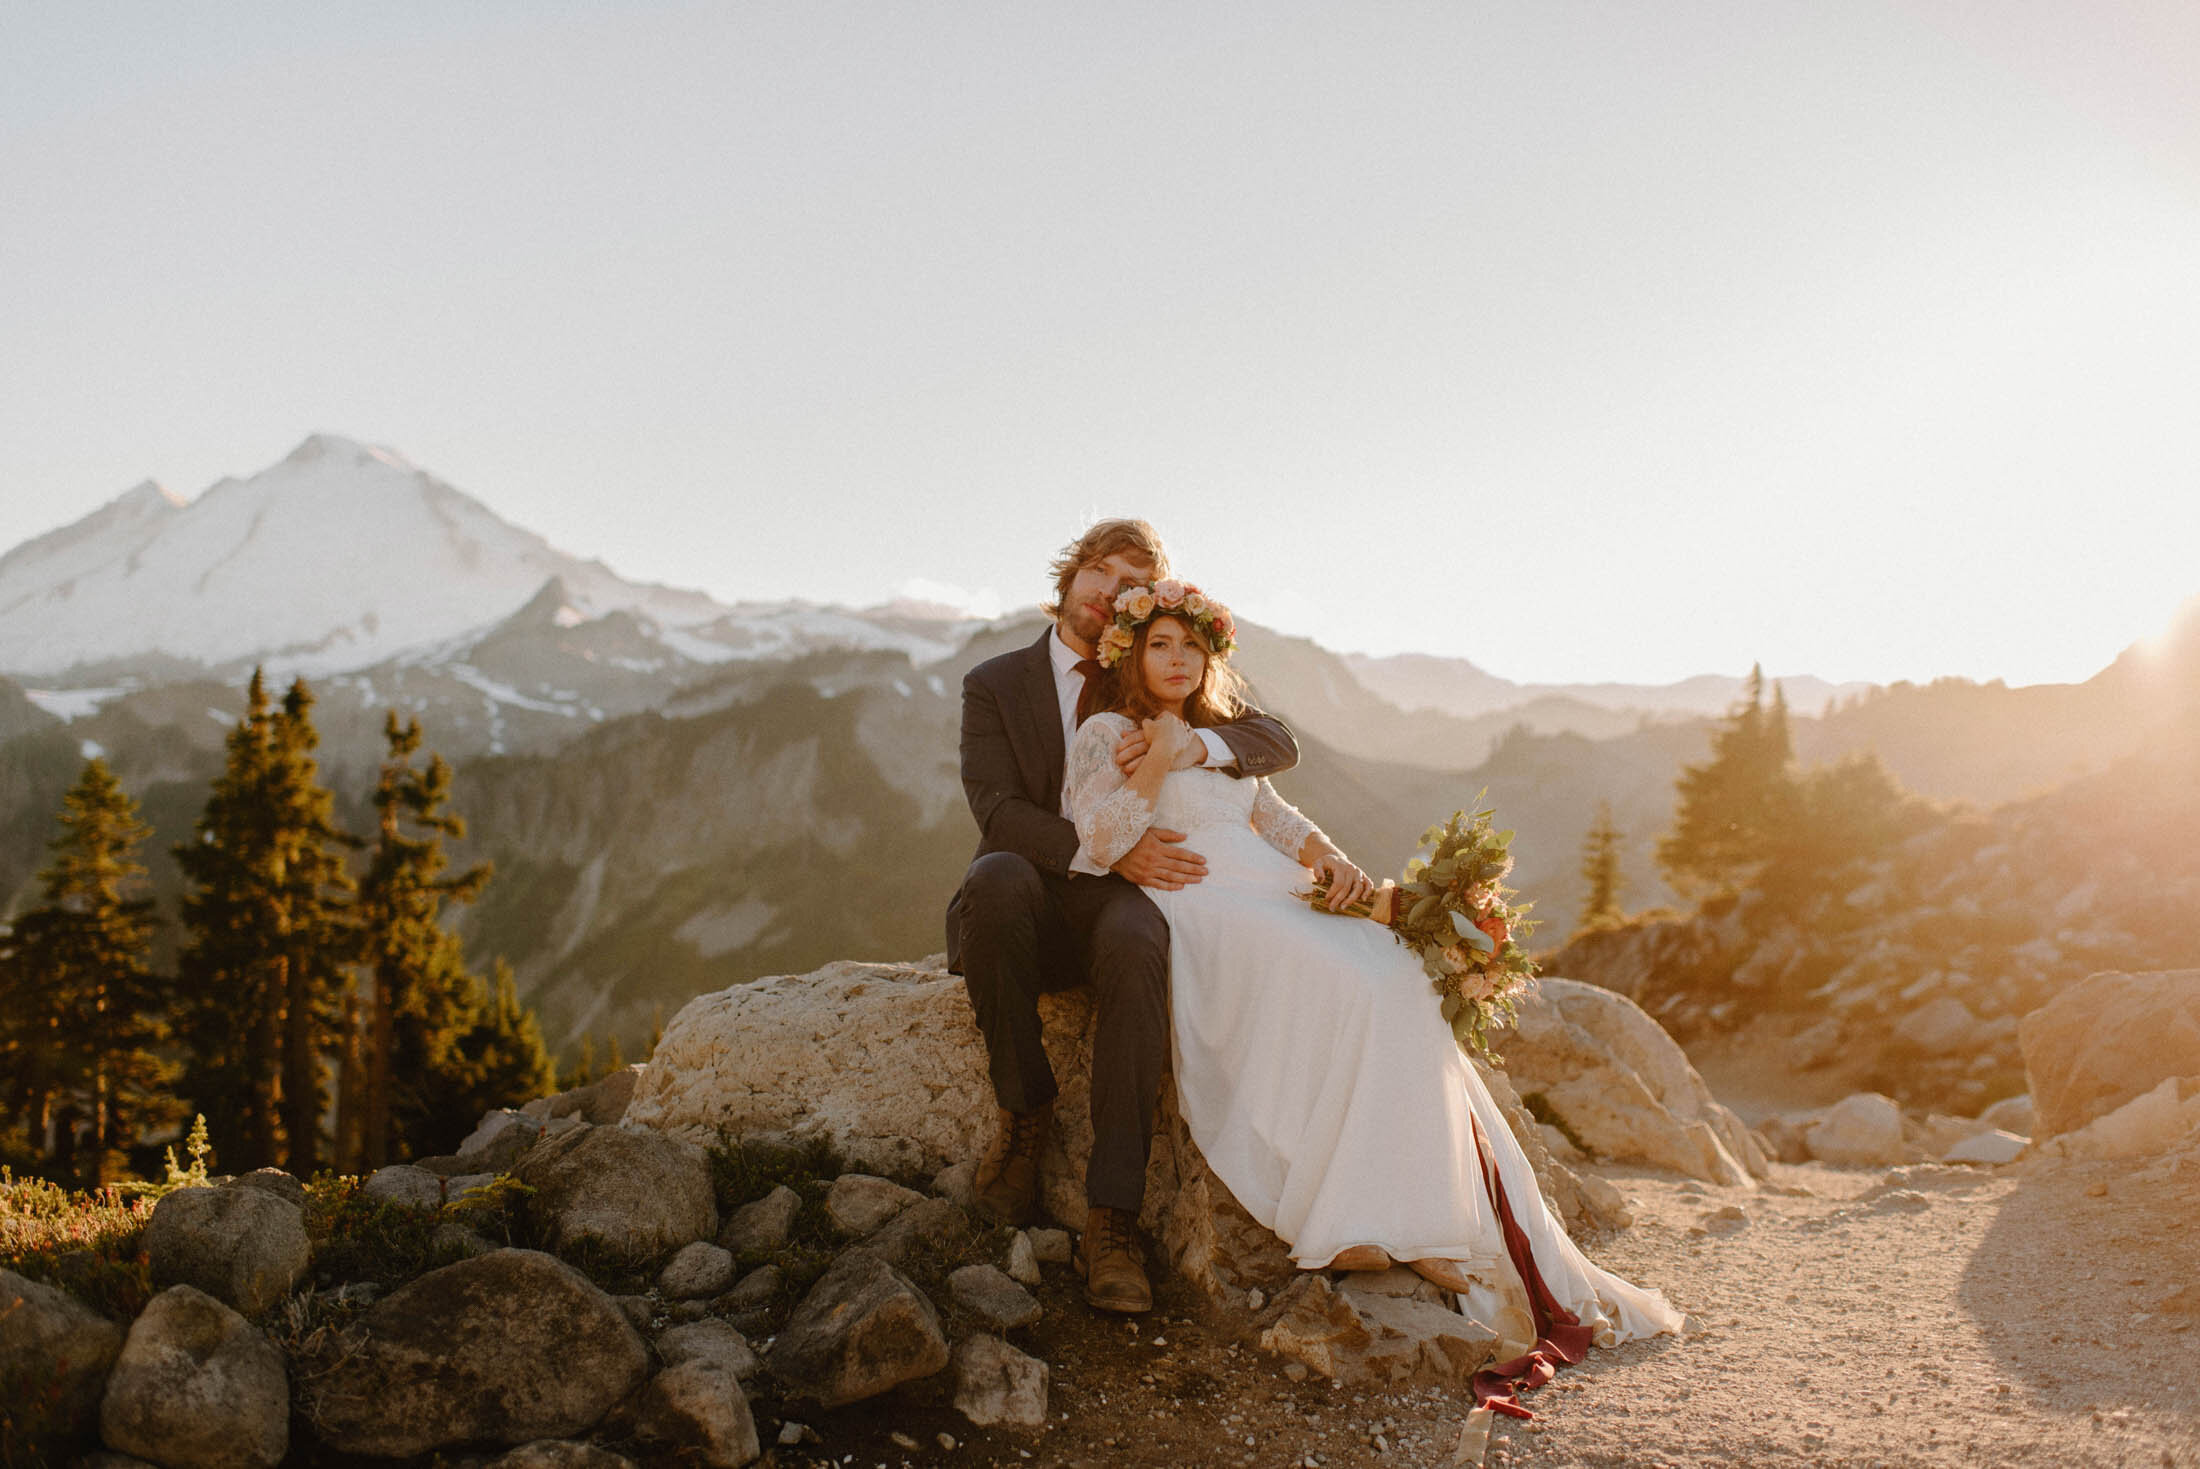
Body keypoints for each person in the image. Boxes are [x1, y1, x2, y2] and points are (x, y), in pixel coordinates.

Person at [1065, 582, 1684, 1409]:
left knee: (1392, 972)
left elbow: (1279, 818)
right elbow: (1099, 840)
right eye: (1159, 645)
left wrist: (1335, 864)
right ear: (1132, 657)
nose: (1177, 660)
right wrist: (1160, 754)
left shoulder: (1226, 739)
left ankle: (1422, 1217)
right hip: (1201, 896)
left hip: (1270, 884)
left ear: (1210, 658)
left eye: (1191, 646)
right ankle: (1348, 1216)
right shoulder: (1108, 732)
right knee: (1327, 979)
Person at [946, 520, 1300, 1314]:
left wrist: (1193, 749)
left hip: (1121, 905)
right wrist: (1111, 850)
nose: (1106, 591)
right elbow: (998, 810)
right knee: (994, 880)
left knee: (1142, 940)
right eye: (1098, 571)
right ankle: (1025, 1111)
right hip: (1036, 886)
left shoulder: (1145, 675)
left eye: (1127, 582)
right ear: (1071, 578)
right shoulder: (994, 683)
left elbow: (1272, 739)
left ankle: (1114, 1215)